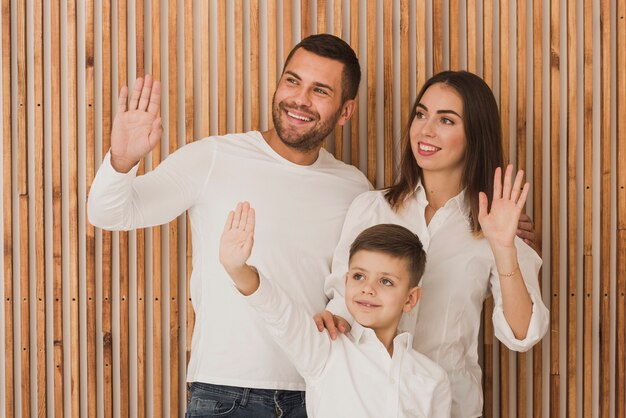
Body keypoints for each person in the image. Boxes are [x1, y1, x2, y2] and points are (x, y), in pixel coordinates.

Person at [88, 34, 372, 417]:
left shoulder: (354, 188)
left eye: (320, 90)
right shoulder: (214, 157)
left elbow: (355, 286)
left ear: (345, 110)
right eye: (292, 80)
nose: (300, 99)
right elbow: (110, 213)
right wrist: (122, 161)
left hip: (321, 392)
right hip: (225, 395)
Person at [318, 71, 550, 418]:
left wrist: (503, 247)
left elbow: (522, 334)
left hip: (451, 407)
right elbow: (342, 304)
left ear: (475, 134)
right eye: (421, 114)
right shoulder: (372, 208)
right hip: (365, 404)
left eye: (446, 120)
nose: (425, 130)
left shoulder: (499, 223)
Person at [219, 201, 452, 417]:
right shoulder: (326, 350)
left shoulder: (433, 380)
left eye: (386, 281)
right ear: (347, 281)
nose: (368, 289)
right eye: (359, 276)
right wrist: (237, 269)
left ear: (410, 299)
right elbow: (280, 313)